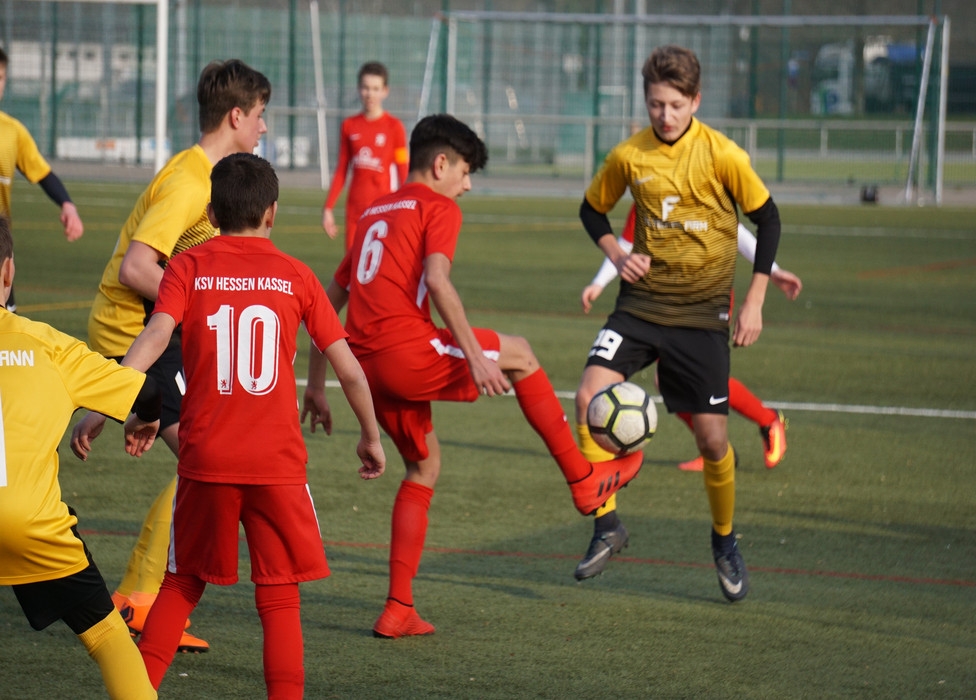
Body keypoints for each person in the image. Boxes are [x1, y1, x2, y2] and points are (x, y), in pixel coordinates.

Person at [301, 113, 643, 639]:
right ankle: (583, 481)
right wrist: (477, 358)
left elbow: (329, 303)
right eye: (465, 172)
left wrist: (316, 386)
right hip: (405, 354)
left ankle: (398, 607)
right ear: (441, 164)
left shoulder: (374, 210)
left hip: (365, 368)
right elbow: (438, 280)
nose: (467, 185)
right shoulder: (437, 206)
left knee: (423, 467)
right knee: (521, 354)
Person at [73, 153, 386, 698]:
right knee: (280, 597)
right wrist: (371, 436)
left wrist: (103, 405)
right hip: (277, 465)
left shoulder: (188, 267)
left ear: (212, 214)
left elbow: (153, 338)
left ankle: (138, 693)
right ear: (272, 212)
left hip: (207, 460)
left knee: (180, 585)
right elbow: (350, 369)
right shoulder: (297, 275)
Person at [70, 58, 272, 653]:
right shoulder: (190, 181)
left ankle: (142, 595)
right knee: (207, 460)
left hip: (159, 331)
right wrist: (206, 305)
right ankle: (140, 597)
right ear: (235, 116)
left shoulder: (210, 176)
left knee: (209, 458)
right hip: (134, 328)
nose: (263, 128)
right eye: (260, 116)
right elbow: (137, 268)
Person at [574, 45, 782, 602]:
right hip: (640, 307)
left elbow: (768, 219)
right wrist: (616, 254)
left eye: (674, 105)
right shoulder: (629, 155)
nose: (664, 115)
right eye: (654, 104)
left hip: (702, 316)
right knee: (588, 396)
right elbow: (592, 209)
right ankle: (607, 525)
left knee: (713, 441)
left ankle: (724, 540)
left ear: (695, 101)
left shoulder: (722, 154)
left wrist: (756, 300)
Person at [0, 215, 161, 699]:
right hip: (28, 522)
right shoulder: (48, 345)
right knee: (108, 636)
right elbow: (147, 390)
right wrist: (145, 418)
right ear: (8, 271)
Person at [580, 203, 801, 475]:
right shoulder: (646, 194)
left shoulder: (699, 190)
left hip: (706, 300)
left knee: (697, 380)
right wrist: (598, 283)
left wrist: (773, 271)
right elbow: (625, 244)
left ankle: (767, 421)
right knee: (668, 381)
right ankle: (714, 449)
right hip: (663, 301)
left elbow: (736, 233)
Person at [0, 46, 85, 312]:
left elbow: (43, 173)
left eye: (0, 77)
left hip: (0, 243)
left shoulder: (13, 132)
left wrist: (67, 205)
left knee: (6, 323)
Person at [321, 61, 409, 249]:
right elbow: (342, 170)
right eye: (366, 88)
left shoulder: (395, 127)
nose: (370, 94)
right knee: (353, 263)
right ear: (359, 88)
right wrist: (328, 208)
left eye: (376, 89)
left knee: (381, 263)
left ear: (385, 91)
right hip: (355, 210)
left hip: (384, 209)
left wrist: (409, 205)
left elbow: (403, 169)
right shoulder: (349, 125)